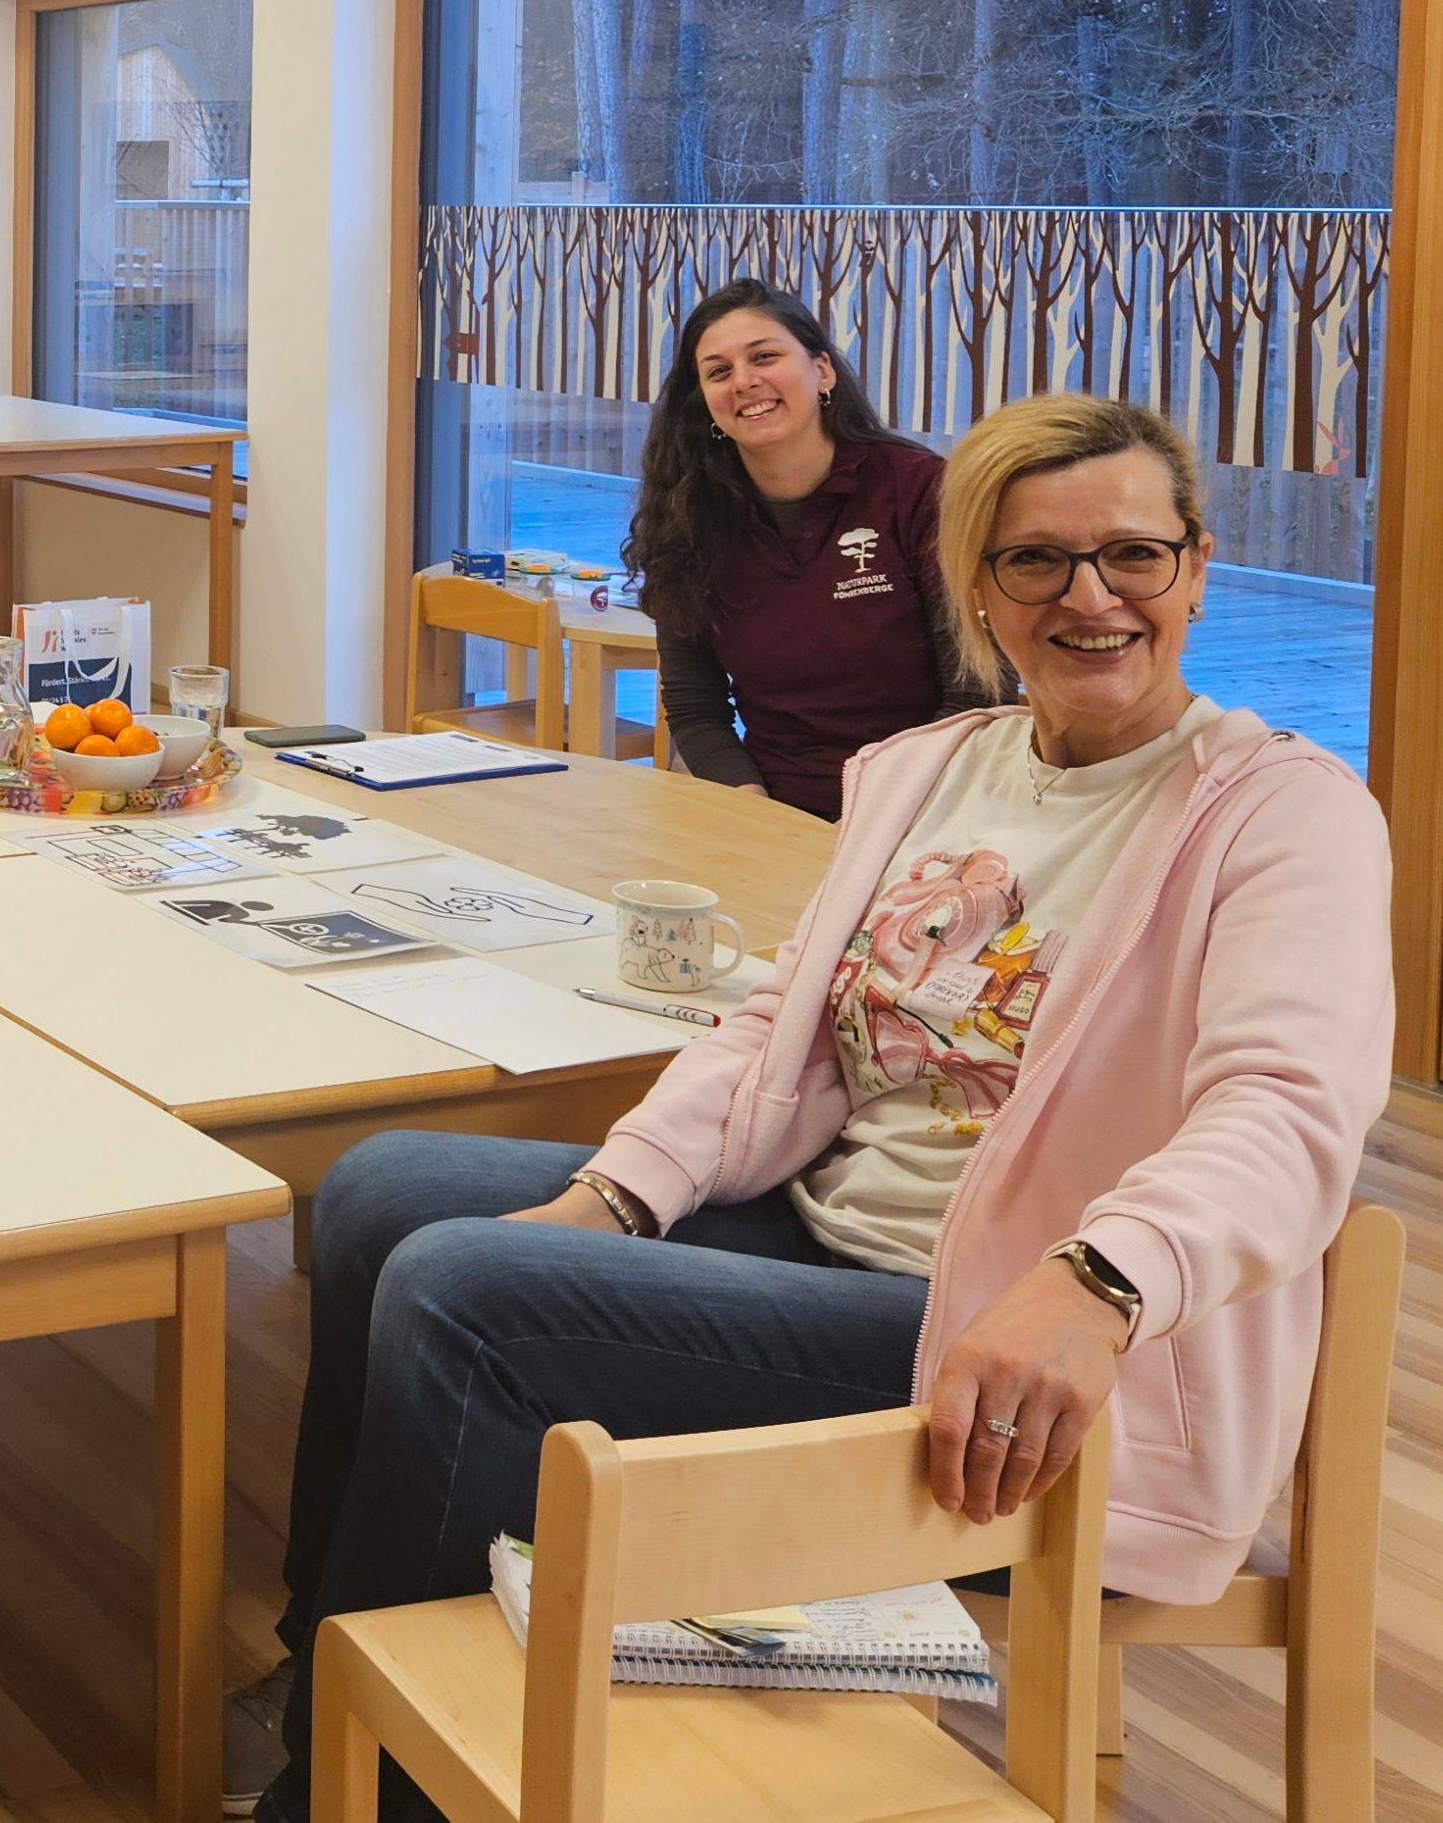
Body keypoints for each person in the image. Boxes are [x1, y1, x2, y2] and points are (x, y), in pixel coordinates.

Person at [244, 392, 1393, 1823]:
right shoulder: (931, 772)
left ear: (1196, 569)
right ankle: (333, 1673)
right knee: (379, 1191)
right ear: (975, 586)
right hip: (830, 1247)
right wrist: (611, 1196)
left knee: (465, 1291)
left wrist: (1093, 1282)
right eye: (1035, 561)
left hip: (1018, 1362)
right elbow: (776, 1035)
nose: (1089, 598)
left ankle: (356, 1794)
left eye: (1132, 557)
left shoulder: (1282, 814)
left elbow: (1285, 1115)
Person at [625, 276, 982, 818]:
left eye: (764, 357)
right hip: (774, 811)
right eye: (718, 372)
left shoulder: (921, 491)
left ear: (821, 371)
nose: (744, 381)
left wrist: (876, 821)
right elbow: (696, 706)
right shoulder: (686, 518)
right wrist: (755, 814)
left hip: (926, 811)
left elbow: (975, 691)